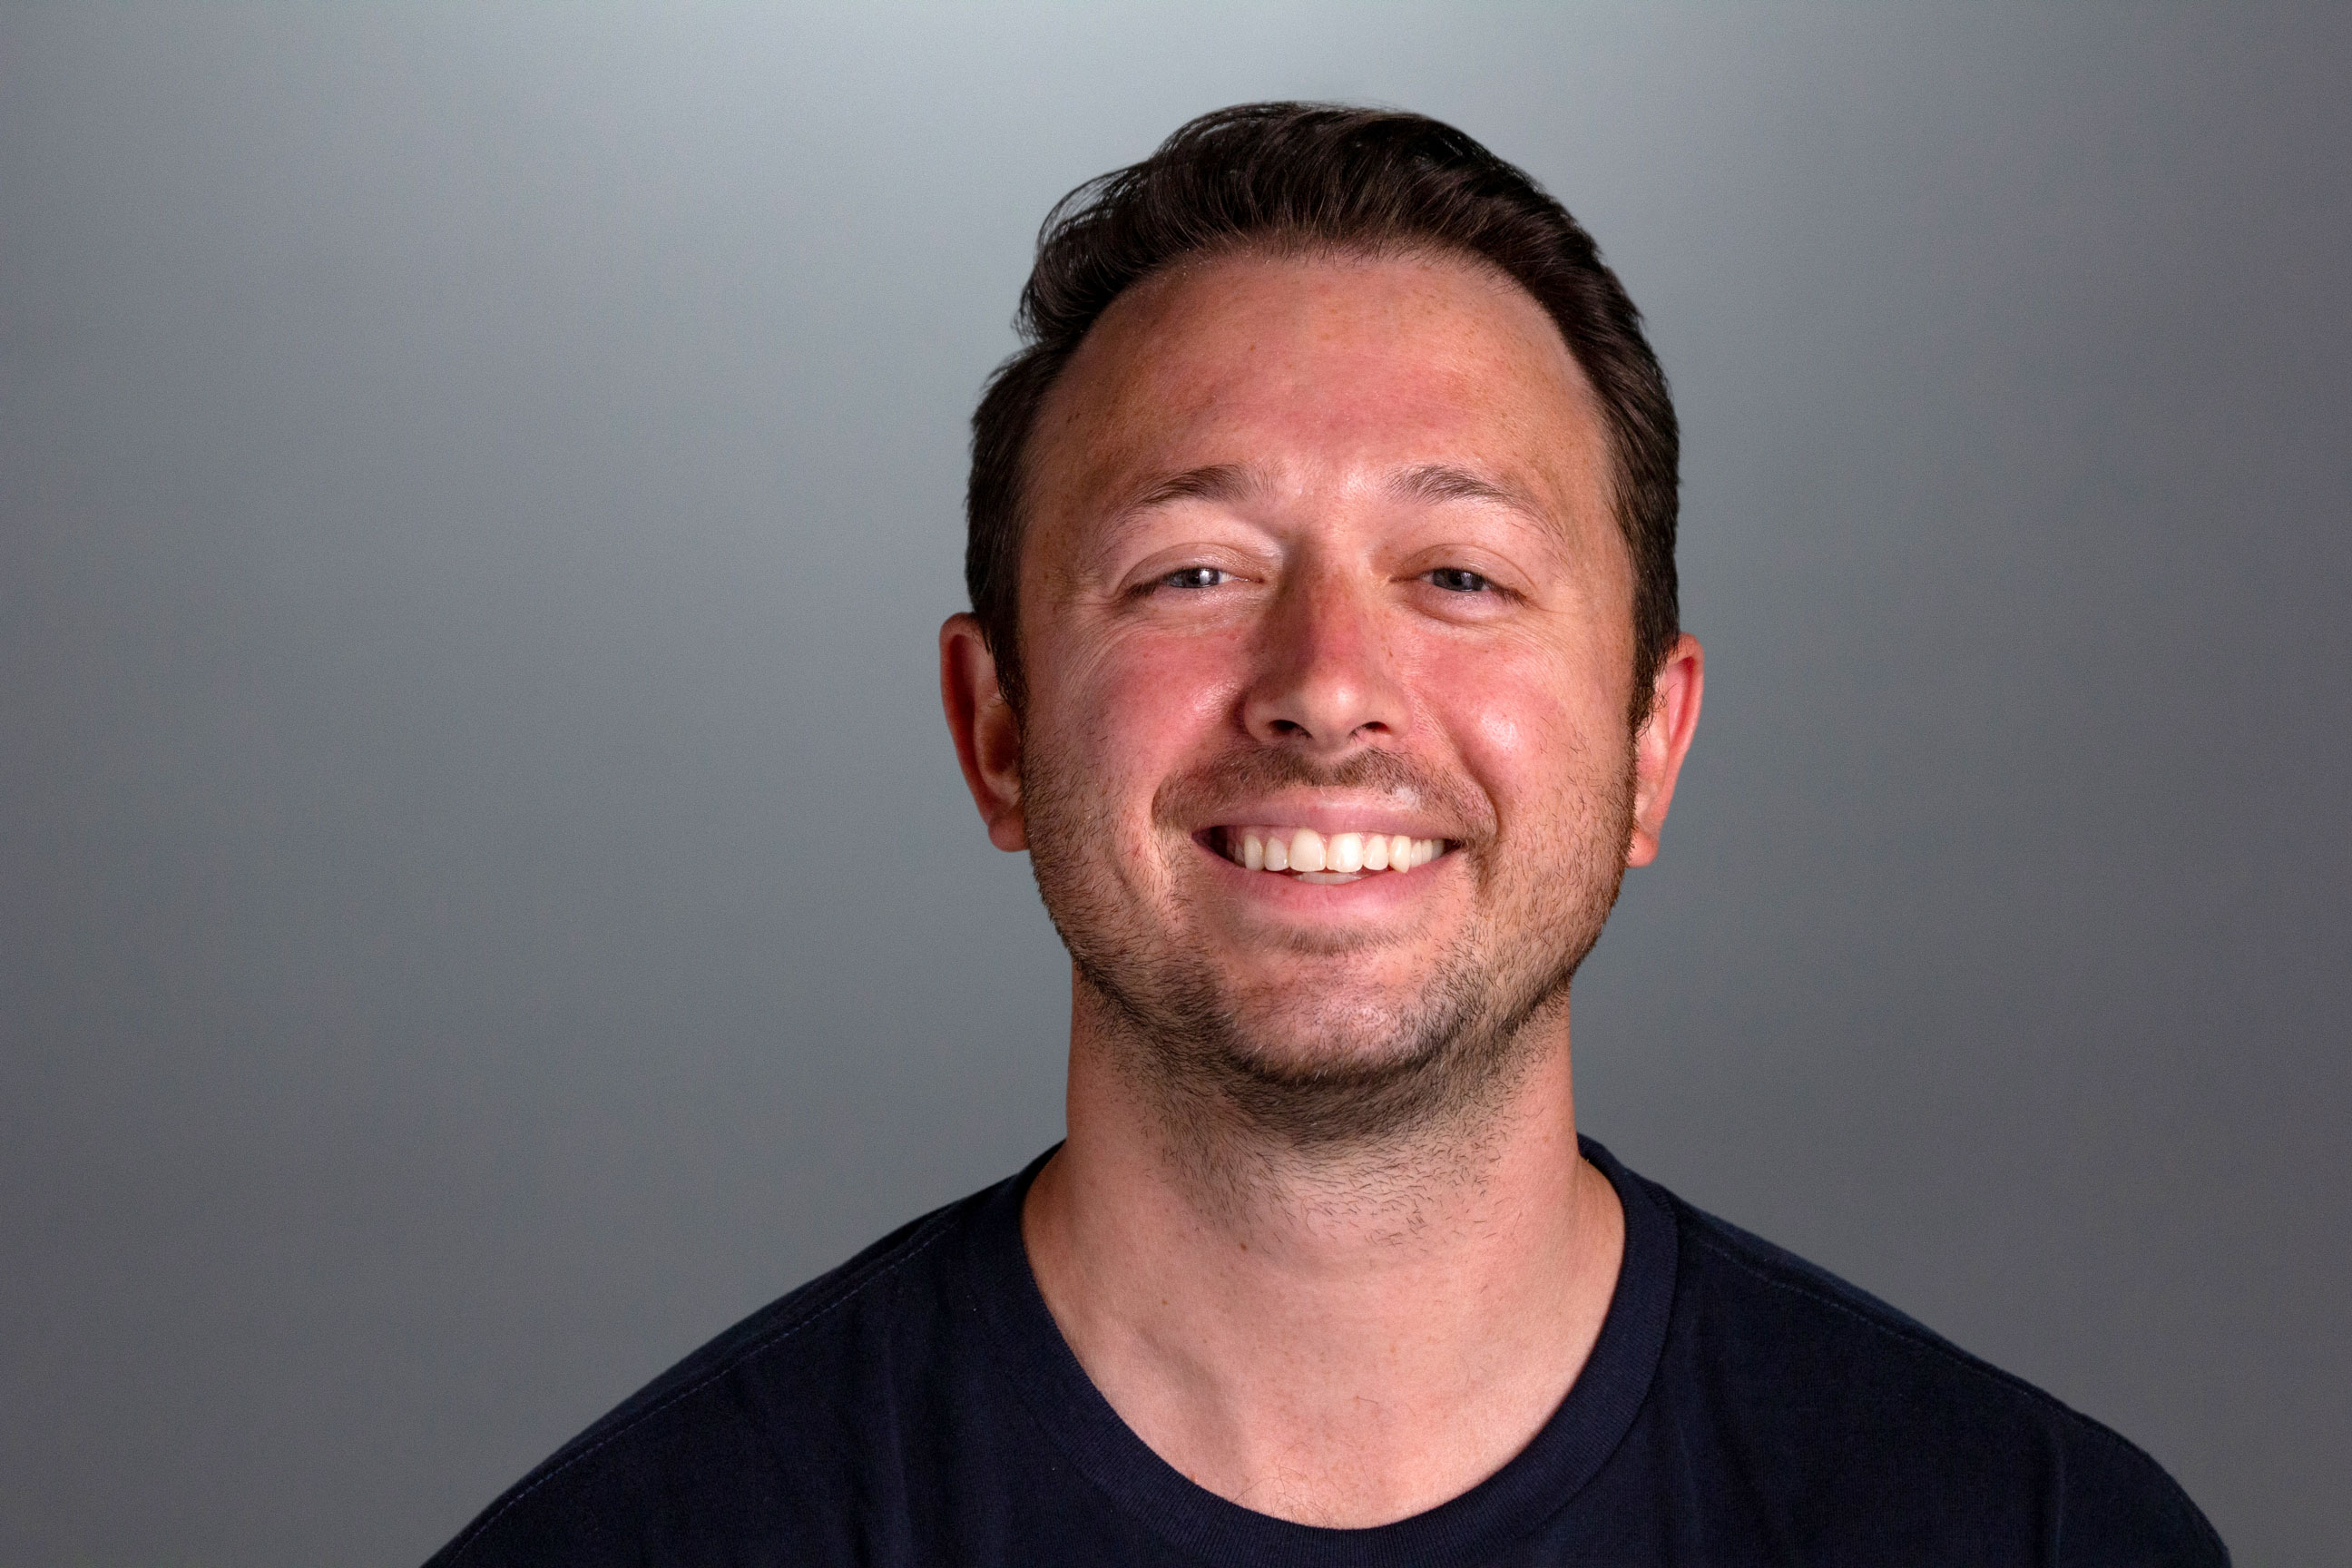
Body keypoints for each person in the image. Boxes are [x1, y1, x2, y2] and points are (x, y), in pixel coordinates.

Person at [426, 103, 2225, 1566]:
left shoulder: (2038, 1537)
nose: (1325, 688)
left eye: (1458, 574)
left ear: (1647, 745)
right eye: (1194, 571)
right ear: (998, 730)